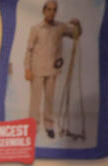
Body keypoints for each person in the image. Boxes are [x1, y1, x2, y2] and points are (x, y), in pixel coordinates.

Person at [24, 1, 81, 139]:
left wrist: (78, 25)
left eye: (54, 10)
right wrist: (27, 69)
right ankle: (33, 126)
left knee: (50, 99)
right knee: (35, 99)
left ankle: (49, 125)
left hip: (52, 69)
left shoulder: (60, 27)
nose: (51, 12)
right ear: (44, 11)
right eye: (48, 9)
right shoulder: (36, 28)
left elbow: (76, 35)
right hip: (37, 69)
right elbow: (29, 50)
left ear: (56, 12)